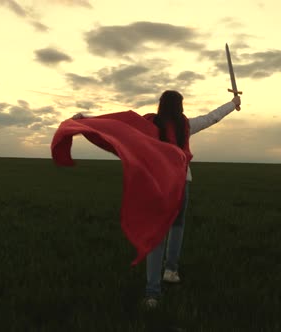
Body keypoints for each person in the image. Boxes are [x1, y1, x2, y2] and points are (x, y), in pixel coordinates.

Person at [73, 91, 241, 307]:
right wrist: (232, 103)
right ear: (180, 106)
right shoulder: (186, 126)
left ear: (161, 105)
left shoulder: (149, 125)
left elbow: (119, 124)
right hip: (180, 183)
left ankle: (153, 292)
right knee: (177, 226)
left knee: (156, 234)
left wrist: (87, 120)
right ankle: (171, 270)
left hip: (156, 185)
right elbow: (212, 117)